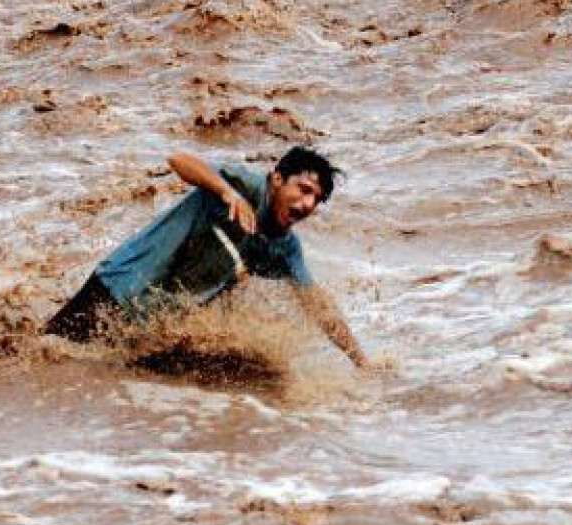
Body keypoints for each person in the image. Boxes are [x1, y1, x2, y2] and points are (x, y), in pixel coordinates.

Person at [45, 146, 371, 368]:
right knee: (45, 355)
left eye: (317, 199)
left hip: (145, 328)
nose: (307, 205)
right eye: (303, 189)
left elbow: (317, 305)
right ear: (276, 178)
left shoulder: (284, 247)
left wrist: (361, 362)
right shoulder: (246, 186)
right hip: (116, 289)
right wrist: (225, 191)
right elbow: (178, 160)